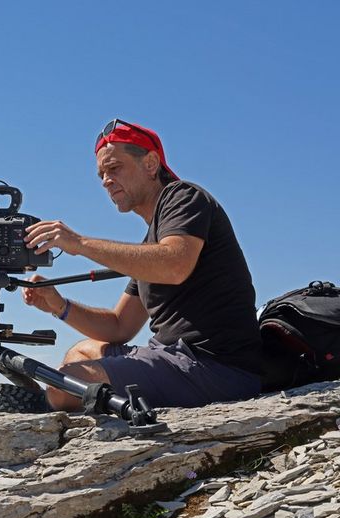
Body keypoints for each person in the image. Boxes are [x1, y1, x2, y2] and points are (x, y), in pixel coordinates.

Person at [18, 119, 263, 411]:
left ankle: (40, 406)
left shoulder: (184, 197)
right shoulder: (151, 245)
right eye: (101, 174)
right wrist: (58, 305)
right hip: (171, 356)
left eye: (114, 168)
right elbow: (120, 326)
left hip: (214, 367)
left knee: (65, 384)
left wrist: (79, 243)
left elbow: (174, 265)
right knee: (81, 351)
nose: (106, 181)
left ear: (150, 164)